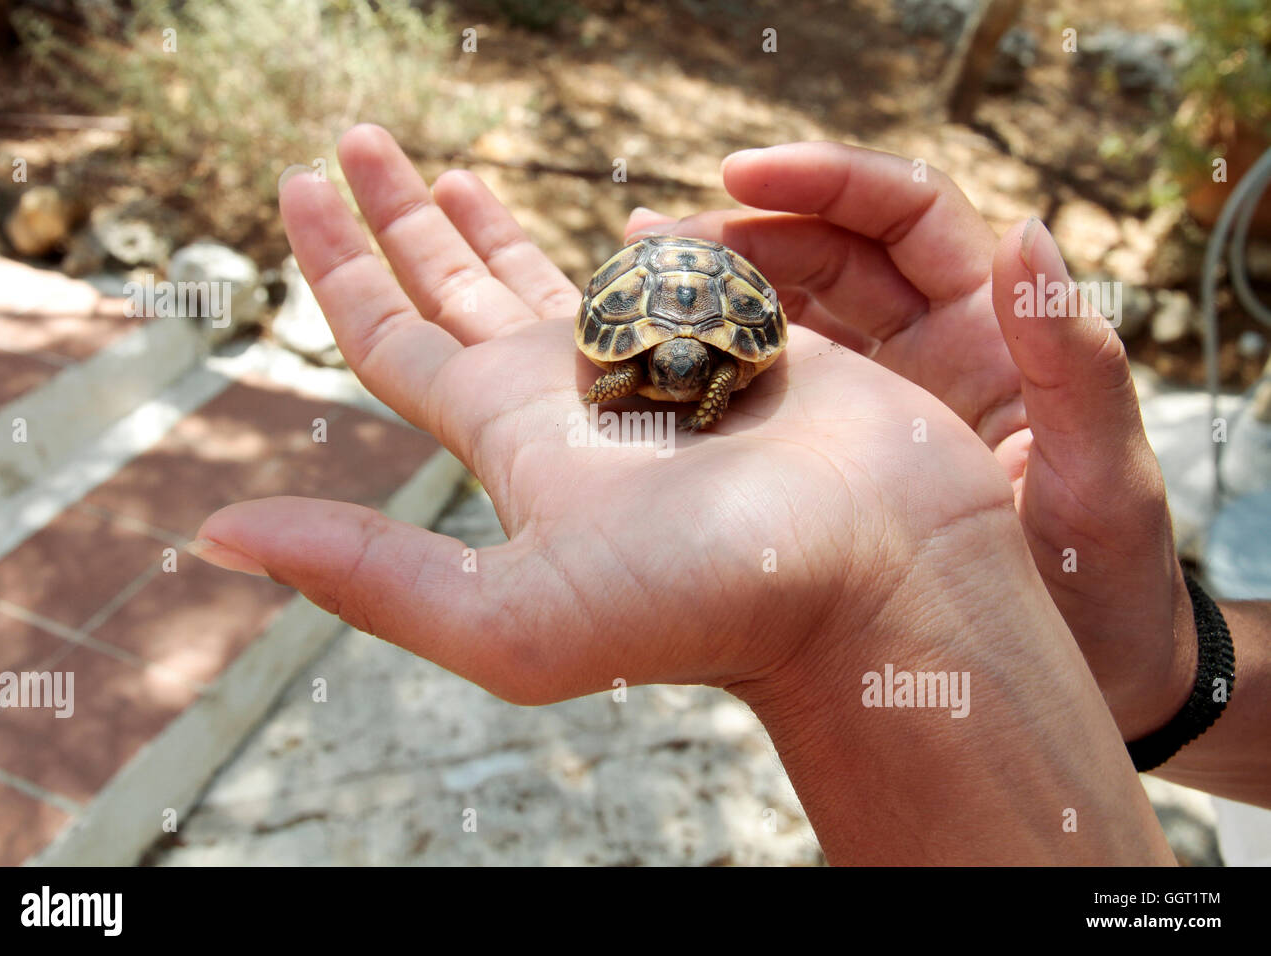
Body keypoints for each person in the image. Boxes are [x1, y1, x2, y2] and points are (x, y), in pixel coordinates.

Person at [190, 125, 1271, 864]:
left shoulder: (707, 378)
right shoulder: (641, 376)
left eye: (679, 377)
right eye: (650, 376)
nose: (669, 385)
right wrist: (1160, 662)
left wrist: (889, 595)